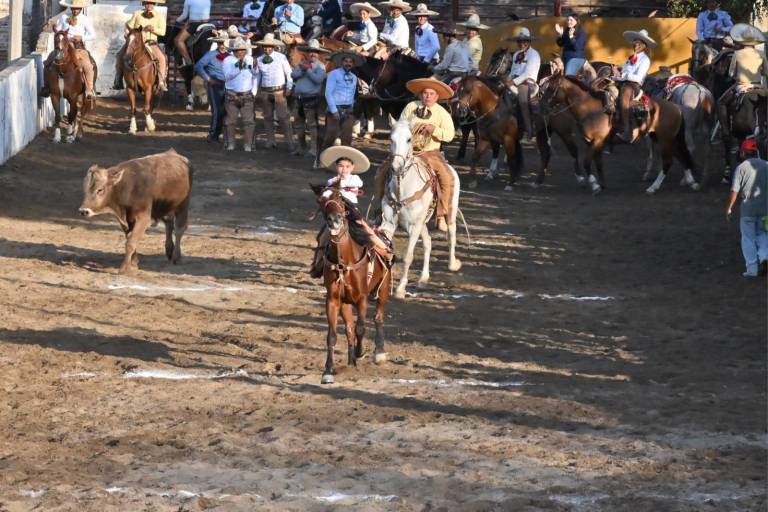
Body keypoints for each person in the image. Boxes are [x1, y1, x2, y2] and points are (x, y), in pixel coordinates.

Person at [372, 78, 456, 231]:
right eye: (425, 93)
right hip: (406, 151)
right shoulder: (411, 106)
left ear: (437, 97)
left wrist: (434, 130)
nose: (428, 96)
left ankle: (441, 214)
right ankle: (379, 209)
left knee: (446, 177)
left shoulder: (442, 113)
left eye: (431, 94)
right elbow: (400, 126)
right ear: (420, 95)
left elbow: (450, 135)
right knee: (381, 171)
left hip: (430, 152)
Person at [309, 146, 391, 278]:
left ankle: (385, 251)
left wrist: (338, 186)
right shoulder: (331, 181)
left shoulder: (355, 179)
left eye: (347, 166)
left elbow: (354, 185)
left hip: (351, 211)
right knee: (322, 237)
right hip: (336, 212)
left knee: (367, 231)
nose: (344, 169)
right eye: (341, 166)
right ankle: (317, 263)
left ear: (352, 168)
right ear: (336, 167)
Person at [726, 138, 768, 277]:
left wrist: (730, 207)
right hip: (764, 208)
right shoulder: (766, 164)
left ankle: (752, 269)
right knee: (762, 233)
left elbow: (735, 191)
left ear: (743, 152)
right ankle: (763, 255)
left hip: (748, 209)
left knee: (748, 237)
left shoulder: (741, 168)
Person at [609, 29, 655, 143]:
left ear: (644, 46)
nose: (636, 45)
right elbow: (622, 75)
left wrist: (622, 75)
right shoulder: (630, 59)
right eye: (635, 42)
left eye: (639, 43)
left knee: (625, 92)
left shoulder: (645, 60)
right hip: (624, 82)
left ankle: (626, 130)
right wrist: (614, 76)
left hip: (634, 86)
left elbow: (638, 78)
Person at [254, 33, 295, 151]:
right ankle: (270, 141)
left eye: (269, 46)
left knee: (283, 117)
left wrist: (289, 87)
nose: (267, 49)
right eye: (265, 47)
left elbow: (289, 73)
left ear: (273, 47)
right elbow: (257, 76)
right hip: (265, 91)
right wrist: (255, 91)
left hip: (279, 90)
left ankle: (290, 141)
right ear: (262, 47)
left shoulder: (281, 57)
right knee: (267, 117)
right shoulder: (260, 59)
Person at [115, 0, 168, 92]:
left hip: (151, 43)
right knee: (120, 55)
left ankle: (161, 81)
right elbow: (129, 26)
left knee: (162, 58)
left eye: (152, 3)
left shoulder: (159, 16)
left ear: (155, 4)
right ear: (144, 3)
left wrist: (153, 29)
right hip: (135, 42)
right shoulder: (137, 13)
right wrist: (127, 33)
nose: (149, 5)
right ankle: (118, 79)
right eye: (147, 3)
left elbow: (163, 32)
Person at [48, 0, 97, 99]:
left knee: (88, 66)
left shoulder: (85, 19)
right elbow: (58, 31)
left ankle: (89, 89)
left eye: (77, 8)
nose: (75, 10)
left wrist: (82, 37)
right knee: (48, 62)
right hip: (65, 46)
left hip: (78, 47)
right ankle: (46, 87)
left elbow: (93, 35)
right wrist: (56, 30)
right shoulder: (64, 17)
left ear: (81, 8)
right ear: (70, 8)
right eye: (73, 8)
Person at [292, 39, 329, 158]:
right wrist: (303, 70)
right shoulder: (301, 63)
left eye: (315, 52)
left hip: (311, 98)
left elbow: (318, 80)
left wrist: (307, 70)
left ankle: (314, 148)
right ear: (307, 53)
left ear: (318, 54)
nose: (312, 54)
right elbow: (293, 75)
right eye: (310, 52)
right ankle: (301, 147)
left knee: (312, 125)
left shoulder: (321, 66)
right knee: (298, 124)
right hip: (299, 98)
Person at [322, 50, 362, 154]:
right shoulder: (333, 74)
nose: (348, 63)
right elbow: (328, 93)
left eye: (350, 62)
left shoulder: (354, 77)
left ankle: (344, 160)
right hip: (335, 108)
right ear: (341, 62)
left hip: (348, 110)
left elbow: (353, 94)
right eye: (346, 61)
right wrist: (334, 110)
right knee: (330, 136)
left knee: (347, 138)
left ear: (353, 64)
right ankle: (321, 160)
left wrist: (352, 108)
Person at [505, 27, 540, 142]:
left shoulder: (534, 54)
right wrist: (507, 80)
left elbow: (527, 74)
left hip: (528, 82)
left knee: (522, 100)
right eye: (519, 41)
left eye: (524, 41)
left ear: (529, 41)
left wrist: (513, 82)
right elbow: (513, 71)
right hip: (515, 81)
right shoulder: (516, 55)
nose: (521, 44)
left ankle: (529, 131)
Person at [222, 37, 257, 151]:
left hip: (247, 93)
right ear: (234, 51)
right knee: (230, 121)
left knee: (249, 121)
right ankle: (230, 143)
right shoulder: (228, 60)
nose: (241, 52)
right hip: (232, 94)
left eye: (243, 50)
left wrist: (254, 90)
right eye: (239, 50)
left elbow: (255, 75)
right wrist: (239, 67)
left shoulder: (250, 59)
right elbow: (227, 76)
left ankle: (248, 144)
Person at [195, 32, 230, 143]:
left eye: (224, 42)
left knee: (227, 111)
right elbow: (198, 66)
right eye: (220, 42)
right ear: (217, 43)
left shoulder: (231, 56)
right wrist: (208, 79)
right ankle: (213, 135)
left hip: (228, 86)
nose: (222, 45)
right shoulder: (210, 55)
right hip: (215, 85)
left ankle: (224, 135)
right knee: (217, 111)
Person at [174, 0, 211, 67]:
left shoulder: (188, 0)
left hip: (195, 24)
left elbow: (184, 15)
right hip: (207, 23)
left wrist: (177, 20)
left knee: (178, 40)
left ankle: (189, 62)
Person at [555, 12, 586, 76]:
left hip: (575, 60)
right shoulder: (567, 30)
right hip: (566, 59)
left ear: (576, 21)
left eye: (571, 20)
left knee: (568, 79)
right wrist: (560, 35)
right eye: (568, 20)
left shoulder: (581, 32)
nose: (568, 22)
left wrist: (571, 36)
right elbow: (561, 44)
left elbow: (577, 48)